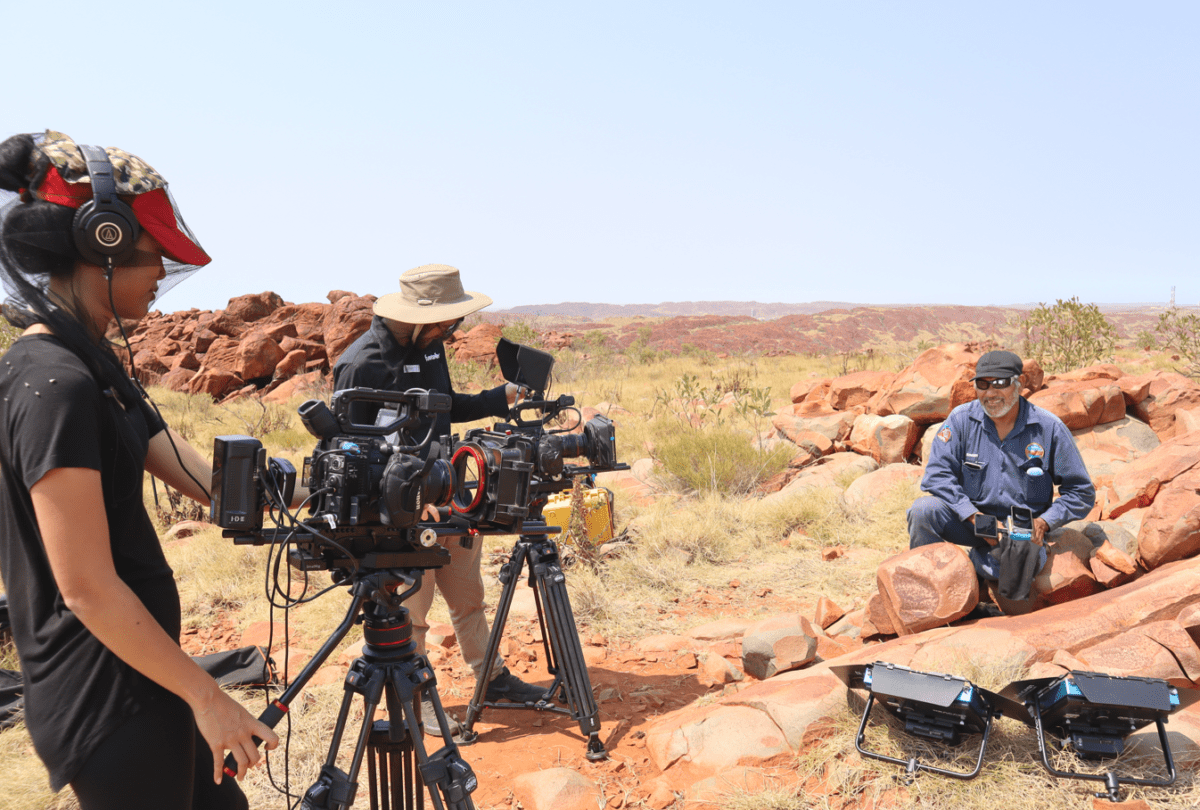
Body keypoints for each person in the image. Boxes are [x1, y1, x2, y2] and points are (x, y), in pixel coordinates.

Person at [0, 131, 278, 809]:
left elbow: (192, 470)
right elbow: (86, 587)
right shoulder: (52, 384)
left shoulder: (92, 367)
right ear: (102, 242)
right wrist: (208, 697)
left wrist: (309, 488)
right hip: (106, 699)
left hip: (146, 679)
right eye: (154, 255)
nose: (162, 274)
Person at [332, 264, 546, 736]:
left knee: (469, 599)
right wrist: (400, 498)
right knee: (413, 611)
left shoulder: (428, 349)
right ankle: (417, 699)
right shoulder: (360, 362)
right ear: (420, 318)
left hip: (448, 492)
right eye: (450, 322)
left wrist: (500, 397)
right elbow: (346, 453)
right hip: (398, 513)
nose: (455, 331)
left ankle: (491, 681)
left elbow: (448, 406)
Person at [907, 349, 1095, 601]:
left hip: (1019, 529)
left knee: (1010, 575)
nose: (991, 393)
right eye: (983, 384)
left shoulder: (1048, 428)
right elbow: (937, 476)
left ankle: (975, 569)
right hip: (971, 522)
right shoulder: (961, 420)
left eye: (1000, 383)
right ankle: (929, 594)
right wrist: (974, 517)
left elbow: (1081, 492)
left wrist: (1045, 522)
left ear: (1021, 383)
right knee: (923, 511)